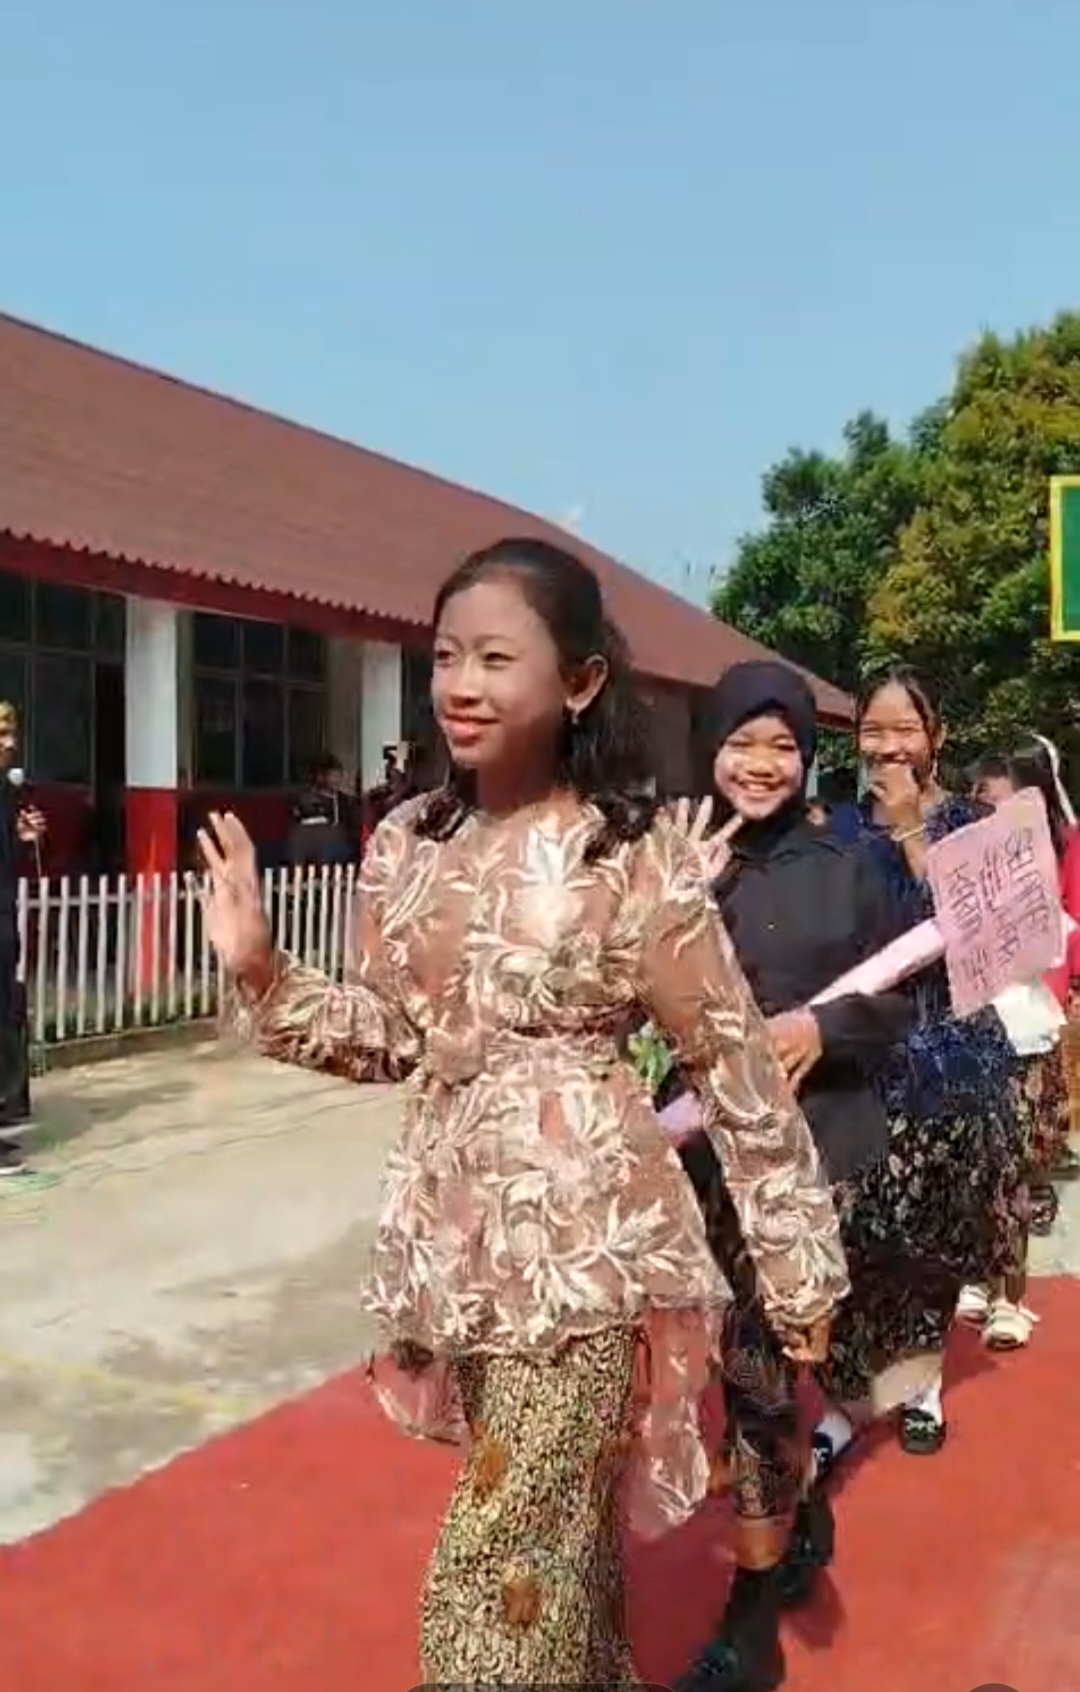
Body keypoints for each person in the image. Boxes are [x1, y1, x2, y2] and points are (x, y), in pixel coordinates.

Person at [197, 536, 848, 1687]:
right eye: (446, 656)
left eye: (496, 659)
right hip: (455, 1249)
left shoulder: (631, 860)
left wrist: (798, 1263)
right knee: (561, 1565)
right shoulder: (407, 844)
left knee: (491, 1589)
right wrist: (262, 969)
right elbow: (392, 1036)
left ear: (581, 681)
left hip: (585, 1260)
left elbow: (734, 1067)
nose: (460, 685)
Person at [656, 662, 912, 1689]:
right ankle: (794, 1517)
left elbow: (911, 999)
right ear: (710, 748)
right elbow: (622, 990)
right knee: (738, 1367)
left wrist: (824, 1026)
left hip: (816, 1154)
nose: (760, 765)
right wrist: (668, 898)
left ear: (808, 755)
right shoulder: (678, 855)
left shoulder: (852, 863)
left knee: (759, 1369)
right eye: (741, 744)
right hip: (706, 1154)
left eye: (782, 747)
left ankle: (751, 1618)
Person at [820, 666, 1023, 1455]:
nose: (888, 746)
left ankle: (922, 1383)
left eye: (905, 729)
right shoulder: (836, 826)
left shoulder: (975, 825)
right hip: (860, 1059)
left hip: (949, 1059)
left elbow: (975, 938)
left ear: (937, 736)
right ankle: (847, 1394)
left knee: (931, 1237)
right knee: (851, 1235)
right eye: (873, 730)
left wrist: (911, 829)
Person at [969, 742, 1079, 1253]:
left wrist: (1063, 987)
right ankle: (985, 1256)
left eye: (995, 797)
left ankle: (1009, 1262)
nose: (986, 808)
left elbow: (1072, 922)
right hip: (981, 1011)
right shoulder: (973, 847)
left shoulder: (1066, 845)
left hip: (1034, 1013)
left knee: (1024, 1144)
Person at [0, 703, 45, 1172]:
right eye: (0, 734)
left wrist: (22, 837)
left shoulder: (6, 792)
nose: (9, 743)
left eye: (11, 732)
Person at [287, 753, 358, 867]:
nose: (336, 780)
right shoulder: (308, 799)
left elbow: (351, 829)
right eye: (332, 776)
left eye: (338, 776)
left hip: (339, 847)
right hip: (316, 848)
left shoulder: (346, 801)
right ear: (322, 777)